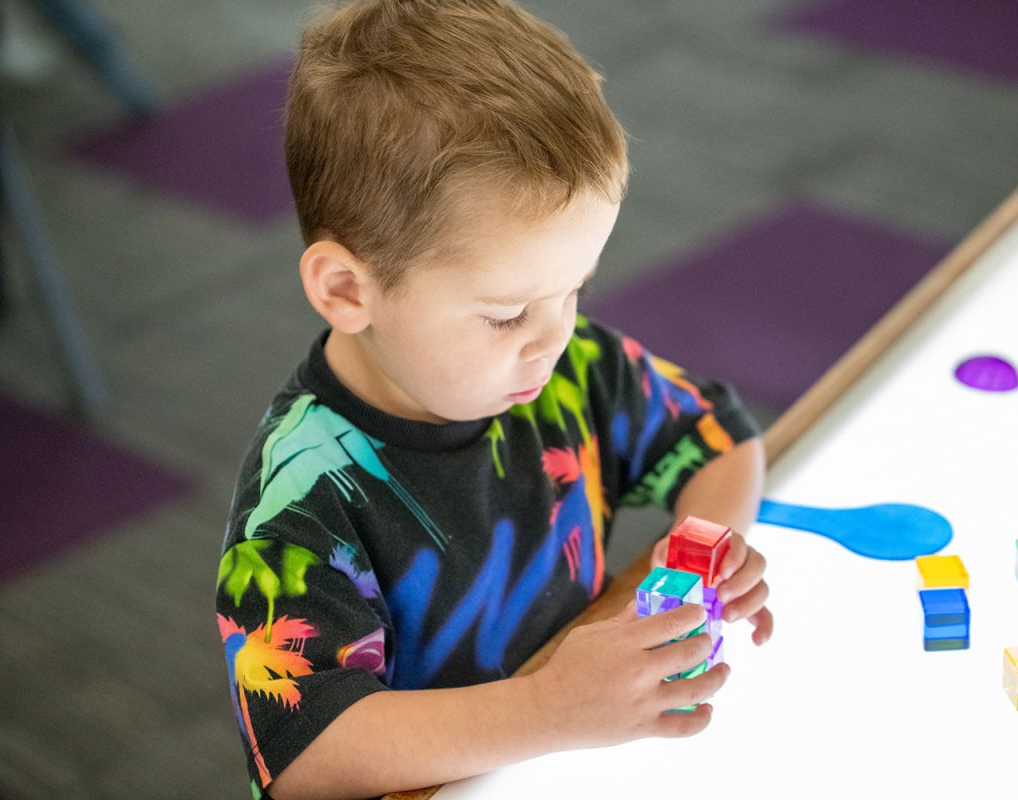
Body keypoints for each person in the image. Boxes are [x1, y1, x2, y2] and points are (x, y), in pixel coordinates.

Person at [216, 2, 771, 798]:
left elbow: (722, 435)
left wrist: (704, 556)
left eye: (573, 289)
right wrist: (550, 707)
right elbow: (307, 758)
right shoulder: (299, 505)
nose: (551, 339)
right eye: (507, 313)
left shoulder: (570, 362)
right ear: (347, 289)